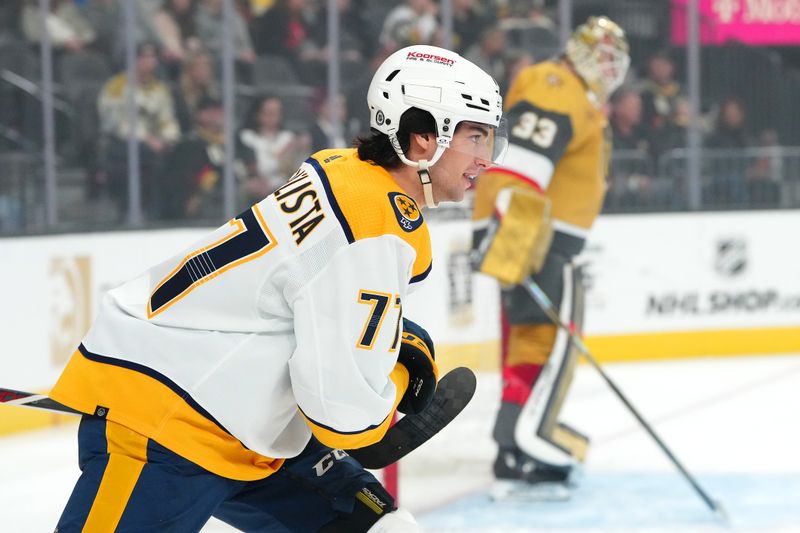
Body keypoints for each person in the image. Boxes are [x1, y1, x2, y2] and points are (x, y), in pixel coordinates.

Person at [50, 44, 506, 532]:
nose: (486, 158)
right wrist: (396, 381)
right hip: (167, 417)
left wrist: (395, 345)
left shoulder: (348, 170)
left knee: (373, 525)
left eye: (489, 140)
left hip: (245, 426)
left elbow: (310, 306)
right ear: (422, 138)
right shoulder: (374, 220)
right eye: (475, 137)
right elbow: (345, 419)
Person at [471, 16, 629, 499]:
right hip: (535, 238)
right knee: (547, 348)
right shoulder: (556, 83)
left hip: (532, 235)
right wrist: (507, 231)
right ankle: (529, 441)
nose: (610, 69)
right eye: (603, 57)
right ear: (580, 52)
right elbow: (521, 162)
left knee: (529, 346)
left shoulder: (578, 96)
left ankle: (513, 446)